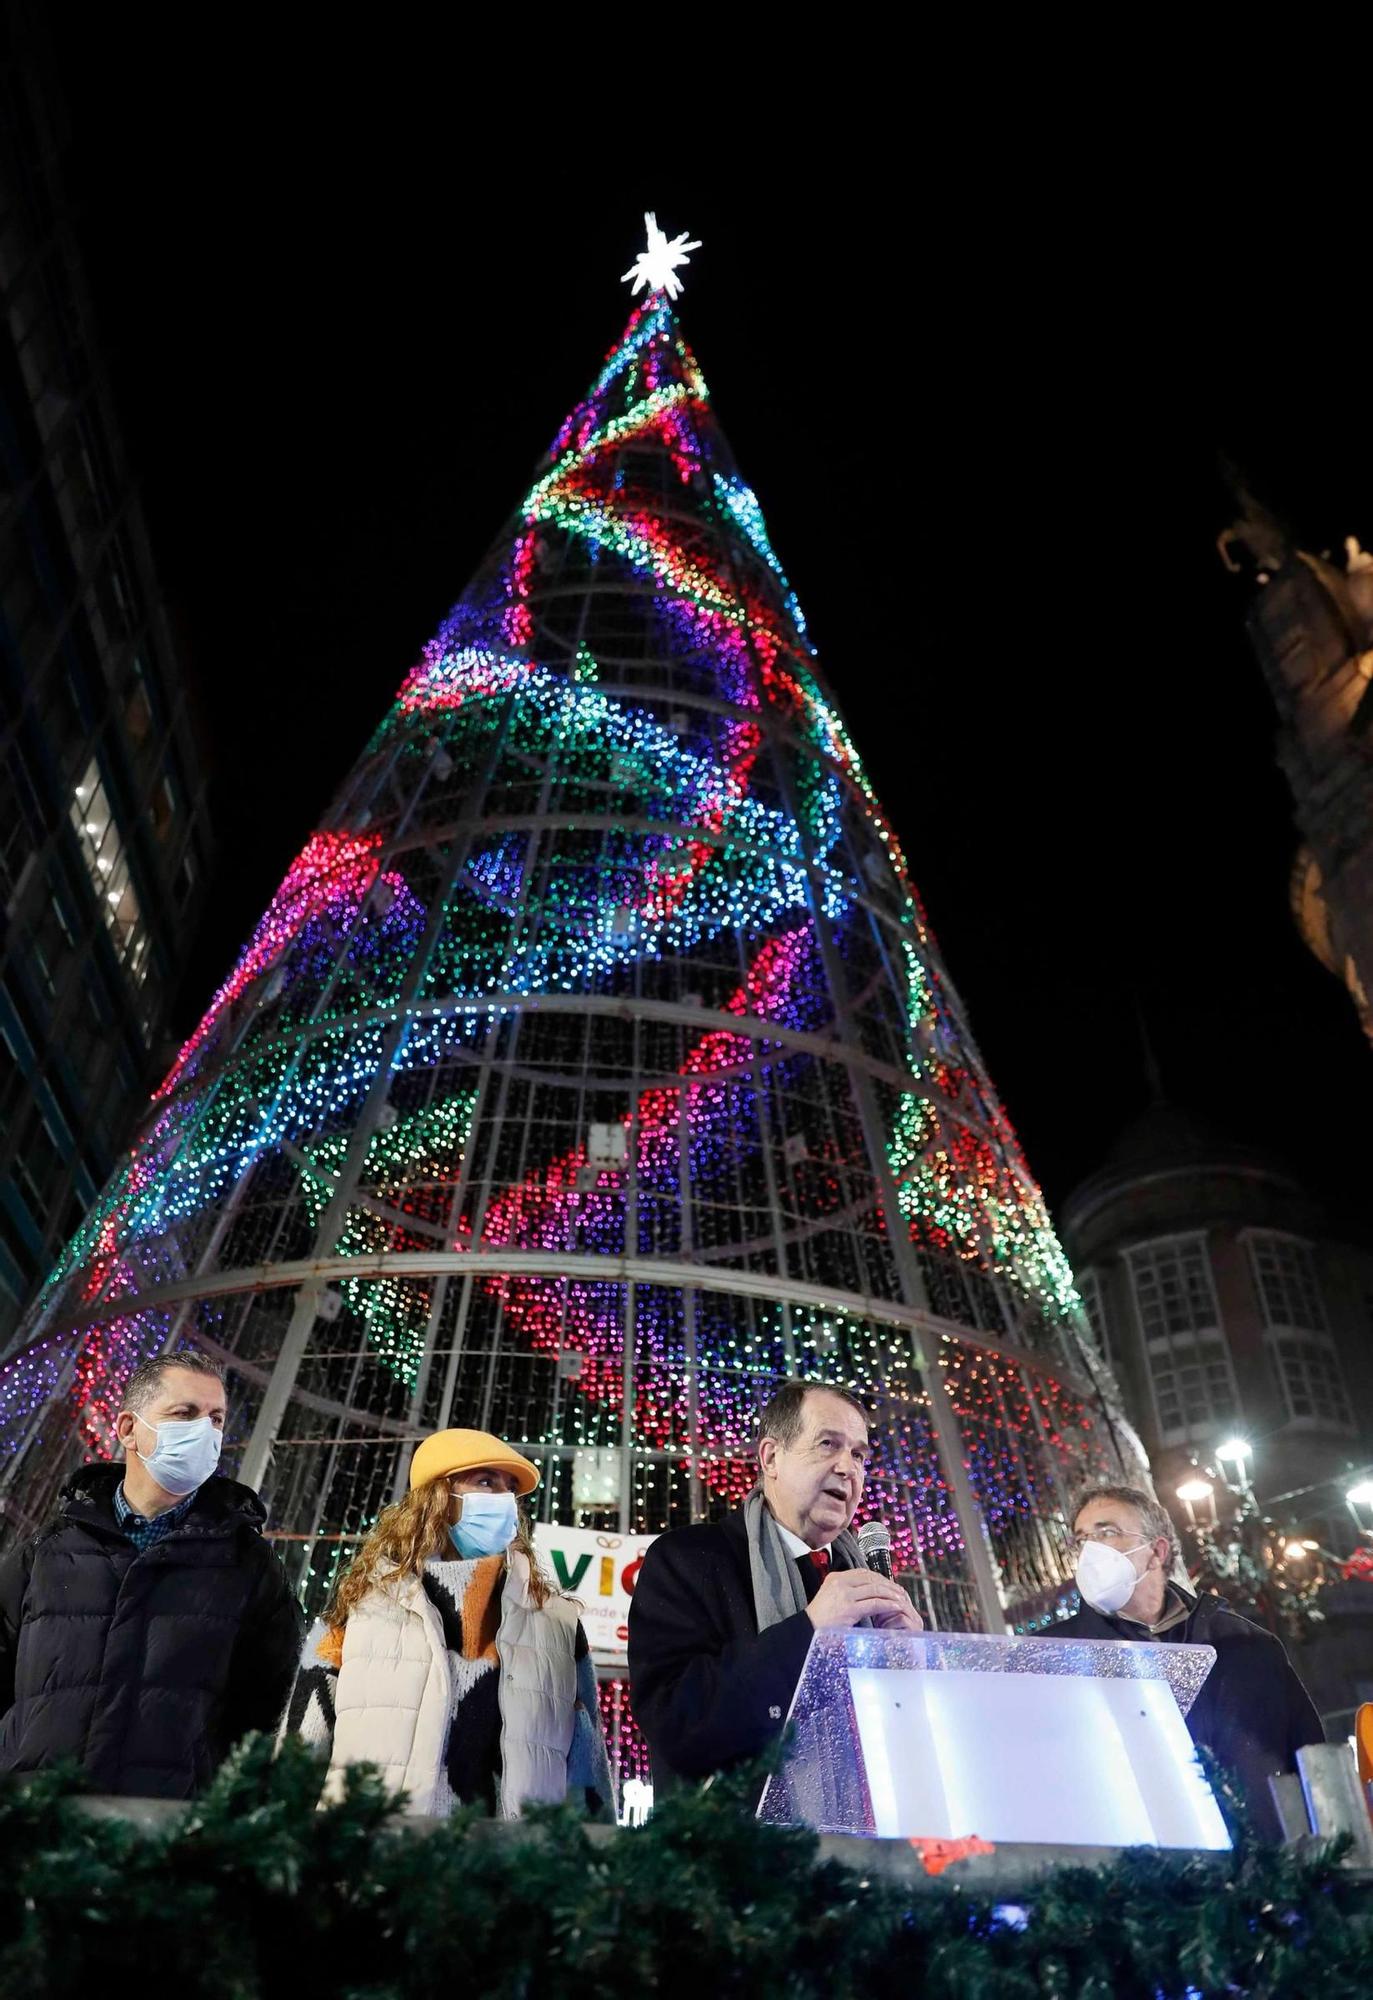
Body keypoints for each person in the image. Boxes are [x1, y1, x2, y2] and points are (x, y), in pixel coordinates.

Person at [0, 1347, 302, 1797]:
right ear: (128, 1430)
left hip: (163, 1837)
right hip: (36, 1830)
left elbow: (269, 1711)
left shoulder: (250, 1567)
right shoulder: (47, 1553)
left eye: (216, 1419)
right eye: (186, 1413)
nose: (205, 1431)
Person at [282, 1426, 614, 1819]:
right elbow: (298, 1756)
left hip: (511, 1867)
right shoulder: (356, 1612)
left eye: (510, 1488)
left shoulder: (557, 1624)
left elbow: (588, 1766)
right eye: (486, 1481)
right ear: (437, 1498)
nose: (504, 1499)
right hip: (371, 1863)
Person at [627, 1380, 921, 1787]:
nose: (848, 1468)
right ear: (771, 1458)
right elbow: (677, 1724)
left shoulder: (872, 1587)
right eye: (827, 1444)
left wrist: (915, 1663)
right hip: (745, 1843)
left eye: (858, 1455)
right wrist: (808, 1631)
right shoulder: (689, 1558)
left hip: (868, 1841)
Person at [1054, 1483, 1324, 1839]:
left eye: (1107, 1532)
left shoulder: (1249, 1645)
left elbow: (1309, 1760)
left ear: (1157, 1552)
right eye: (1081, 1539)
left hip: (1266, 1869)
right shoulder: (1057, 1653)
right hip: (1137, 1875)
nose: (1090, 1550)